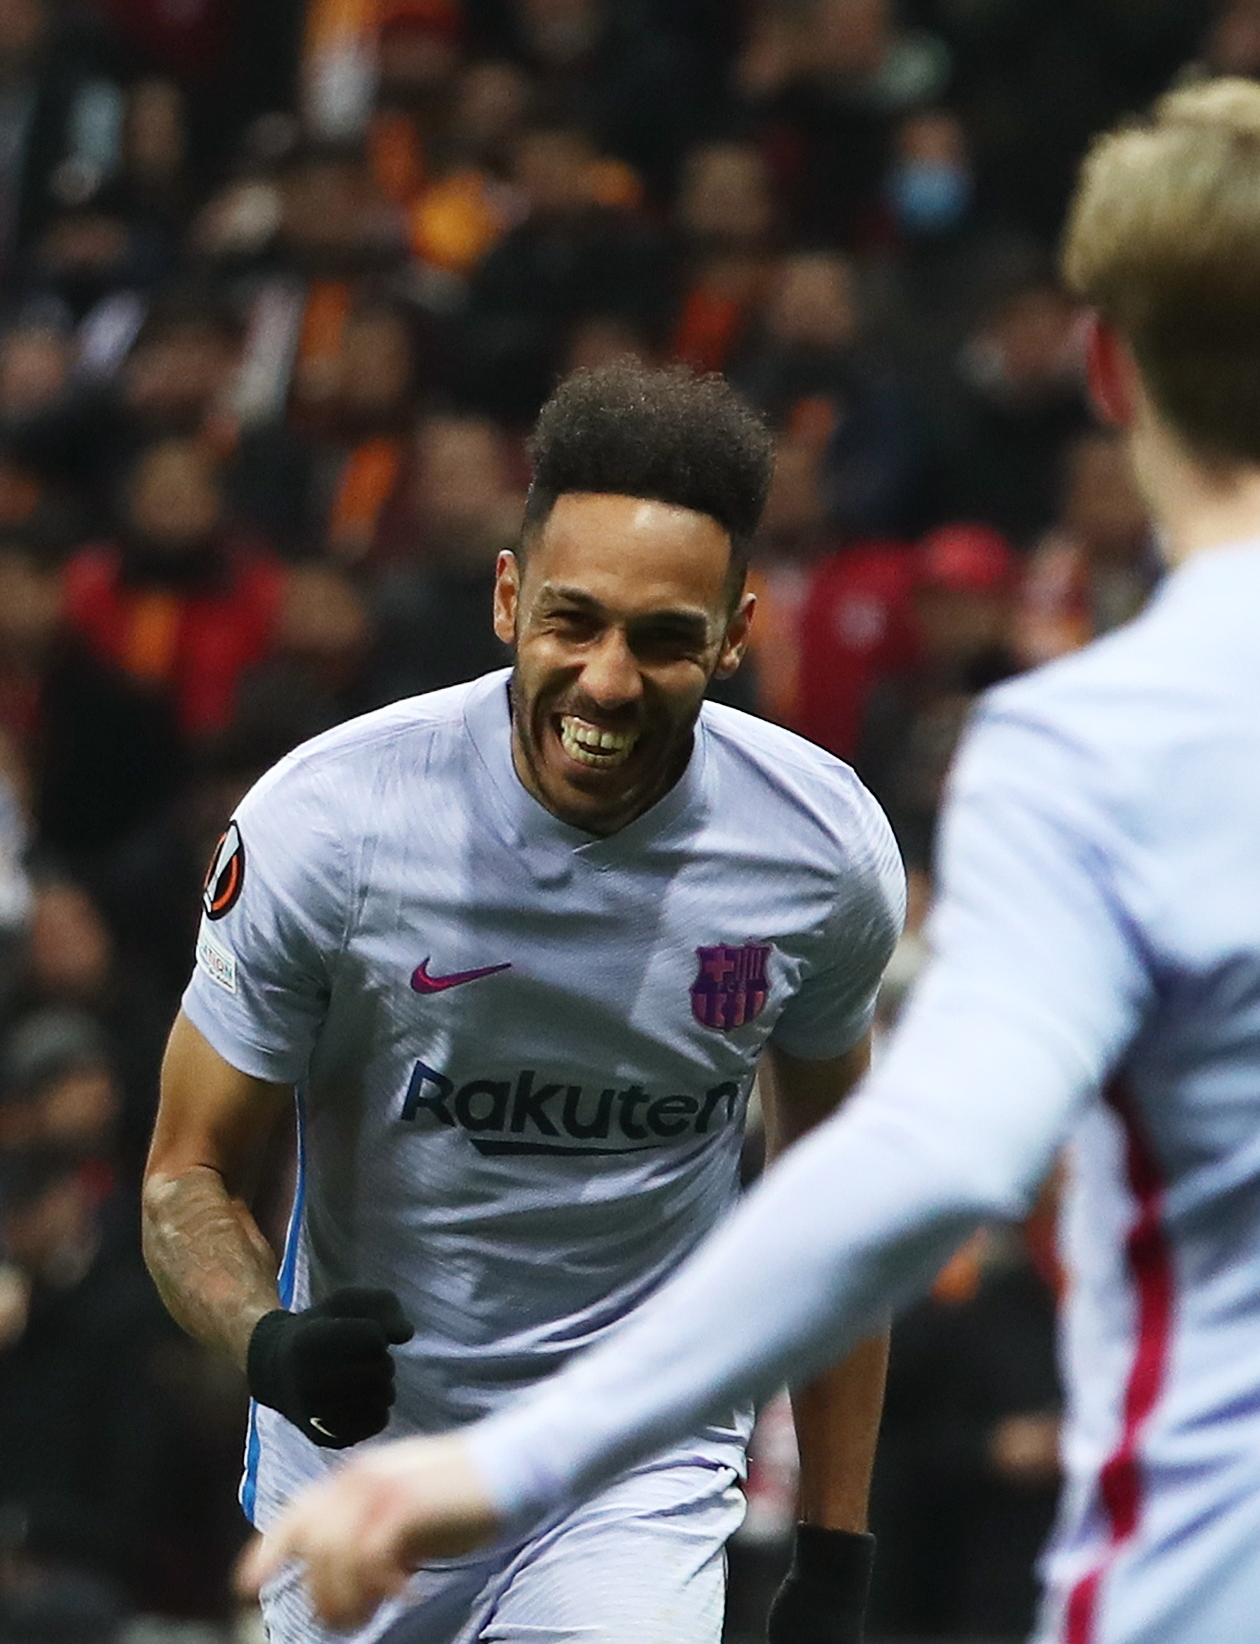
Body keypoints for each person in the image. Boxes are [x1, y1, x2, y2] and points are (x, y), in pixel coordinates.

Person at [245, 51, 1260, 1644]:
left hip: (1238, 1586)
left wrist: (509, 1458)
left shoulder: (1101, 744)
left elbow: (926, 1160)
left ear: (1108, 374)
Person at [140, 363, 903, 1644]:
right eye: (573, 622)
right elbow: (184, 1177)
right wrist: (267, 1342)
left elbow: (843, 1205)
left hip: (631, 1467)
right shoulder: (328, 827)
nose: (607, 681)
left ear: (735, 632)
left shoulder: (819, 856)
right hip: (363, 1469)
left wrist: (834, 1551)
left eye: (663, 638)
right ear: (507, 599)